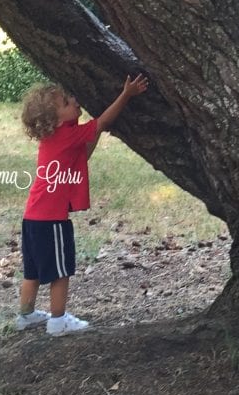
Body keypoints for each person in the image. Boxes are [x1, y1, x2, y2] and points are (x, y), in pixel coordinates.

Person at [15, 74, 149, 336]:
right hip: (51, 220)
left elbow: (84, 152)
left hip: (32, 217)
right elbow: (103, 121)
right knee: (60, 272)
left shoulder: (55, 138)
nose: (74, 101)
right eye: (66, 102)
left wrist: (96, 132)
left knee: (31, 272)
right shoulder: (67, 135)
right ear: (55, 119)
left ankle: (26, 315)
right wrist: (126, 94)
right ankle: (57, 321)